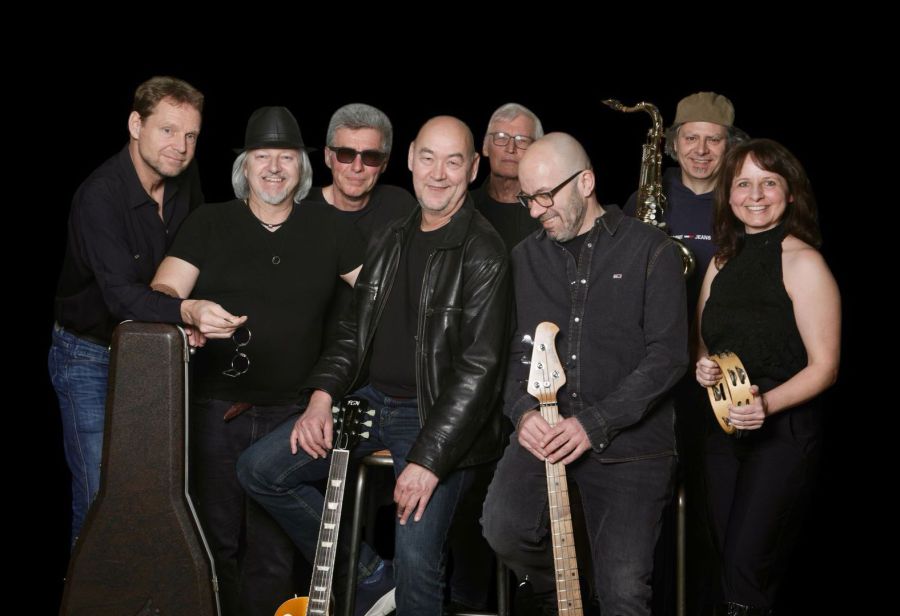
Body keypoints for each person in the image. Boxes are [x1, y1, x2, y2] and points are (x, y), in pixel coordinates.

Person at [237, 115, 510, 616]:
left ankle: (395, 581)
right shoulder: (392, 236)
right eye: (428, 158)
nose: (438, 173)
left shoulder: (484, 251)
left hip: (435, 417)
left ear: (473, 168)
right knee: (260, 470)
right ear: (410, 161)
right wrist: (321, 397)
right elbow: (352, 332)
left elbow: (480, 371)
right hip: (371, 402)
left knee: (417, 562)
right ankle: (368, 574)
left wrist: (429, 460)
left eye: (453, 162)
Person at [150, 106, 364, 616]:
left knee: (274, 554)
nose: (273, 168)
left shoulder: (329, 225)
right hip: (215, 410)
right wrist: (188, 312)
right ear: (244, 165)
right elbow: (162, 290)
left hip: (292, 416)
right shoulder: (210, 222)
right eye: (262, 156)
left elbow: (379, 297)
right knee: (214, 543)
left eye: (286, 157)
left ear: (302, 168)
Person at [482, 132, 689, 616]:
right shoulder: (523, 258)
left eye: (544, 196)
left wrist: (592, 424)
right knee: (503, 529)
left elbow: (668, 358)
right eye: (527, 199)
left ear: (586, 182)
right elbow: (510, 354)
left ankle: (594, 590)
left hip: (632, 449)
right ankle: (565, 595)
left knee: (624, 593)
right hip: (545, 434)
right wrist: (523, 413)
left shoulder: (652, 250)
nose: (535, 211)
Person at [50, 76, 205, 544]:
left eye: (191, 135)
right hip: (89, 357)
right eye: (168, 130)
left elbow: (198, 255)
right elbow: (121, 297)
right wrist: (188, 312)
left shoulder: (184, 180)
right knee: (102, 496)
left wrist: (189, 317)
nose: (181, 147)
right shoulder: (100, 195)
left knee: (156, 493)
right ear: (136, 125)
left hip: (159, 353)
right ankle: (89, 587)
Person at [694, 138, 840, 615]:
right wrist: (703, 366)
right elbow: (704, 342)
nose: (755, 195)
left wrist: (766, 406)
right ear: (728, 194)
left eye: (769, 182)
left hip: (783, 433)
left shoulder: (804, 262)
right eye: (743, 184)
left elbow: (825, 367)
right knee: (724, 565)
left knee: (745, 571)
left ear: (790, 192)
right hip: (723, 431)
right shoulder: (721, 261)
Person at [624, 91, 746, 313]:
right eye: (691, 138)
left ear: (730, 146)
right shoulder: (643, 199)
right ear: (675, 143)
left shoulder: (745, 202)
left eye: (713, 140)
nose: (701, 150)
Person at [309, 102, 417, 237]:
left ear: (384, 163)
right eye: (346, 154)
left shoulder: (400, 205)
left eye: (371, 156)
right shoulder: (299, 207)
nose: (357, 167)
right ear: (327, 157)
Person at [472, 102, 544, 252]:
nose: (510, 148)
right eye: (501, 137)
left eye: (522, 140)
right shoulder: (462, 207)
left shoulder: (548, 214)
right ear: (485, 146)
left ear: (537, 151)